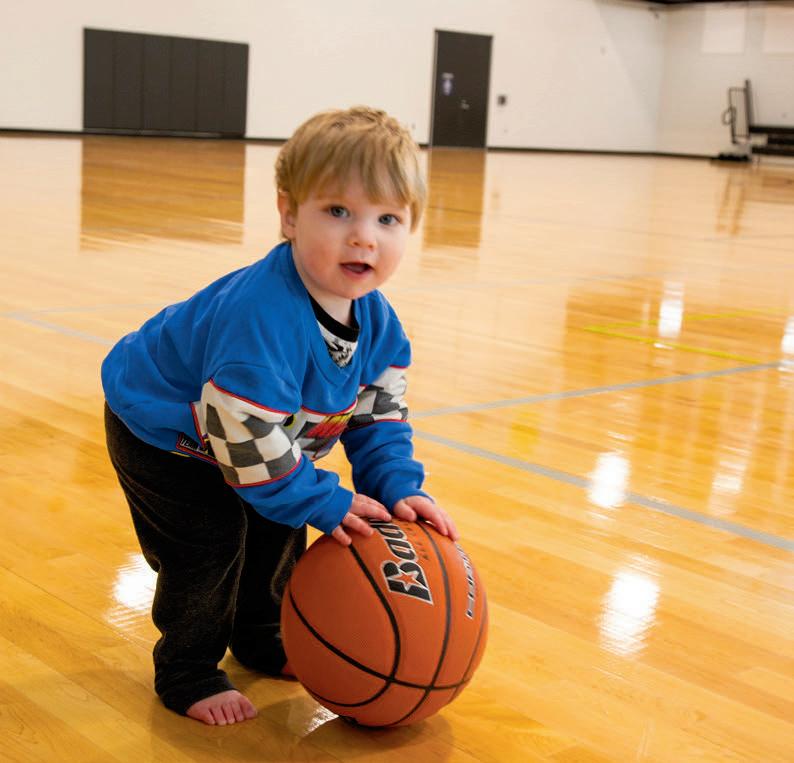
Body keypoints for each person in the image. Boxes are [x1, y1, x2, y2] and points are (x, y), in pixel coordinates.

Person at [102, 106, 458, 727]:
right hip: (164, 434)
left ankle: (263, 636)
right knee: (211, 546)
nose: (364, 237)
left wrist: (398, 488)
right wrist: (321, 499)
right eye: (338, 211)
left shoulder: (379, 323)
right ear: (290, 215)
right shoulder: (262, 317)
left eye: (388, 218)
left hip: (253, 441)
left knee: (279, 529)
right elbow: (245, 441)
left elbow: (378, 418)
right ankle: (187, 670)